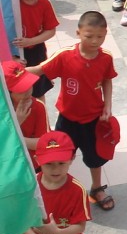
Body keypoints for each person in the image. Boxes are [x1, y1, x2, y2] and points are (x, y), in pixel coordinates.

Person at [29, 11, 117, 211]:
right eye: (89, 36)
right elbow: (40, 69)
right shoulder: (65, 56)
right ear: (78, 33)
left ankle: (96, 188)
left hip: (93, 119)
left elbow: (107, 80)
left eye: (100, 36)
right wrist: (12, 71)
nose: (95, 41)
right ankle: (58, 189)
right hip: (67, 119)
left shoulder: (105, 58)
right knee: (60, 156)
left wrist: (107, 105)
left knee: (95, 157)